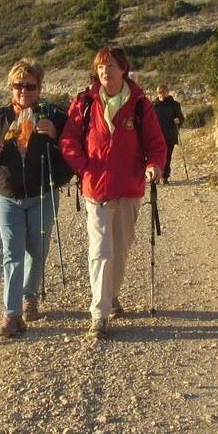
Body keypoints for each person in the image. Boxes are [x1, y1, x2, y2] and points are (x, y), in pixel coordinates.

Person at [59, 45, 167, 338]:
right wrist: (84, 169)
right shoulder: (84, 102)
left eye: (110, 66)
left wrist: (155, 165)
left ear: (123, 69)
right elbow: (68, 140)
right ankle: (100, 313)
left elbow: (156, 143)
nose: (105, 71)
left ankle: (111, 295)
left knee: (121, 249)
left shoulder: (141, 104)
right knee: (101, 250)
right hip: (96, 188)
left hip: (130, 187)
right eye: (100, 67)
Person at [0, 59, 73, 338]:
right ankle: (12, 315)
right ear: (10, 87)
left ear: (39, 87)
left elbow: (75, 144)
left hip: (42, 194)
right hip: (8, 196)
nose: (23, 91)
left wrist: (56, 134)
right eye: (18, 85)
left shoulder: (53, 114)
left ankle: (30, 297)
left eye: (30, 86)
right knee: (11, 254)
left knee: (37, 251)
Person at [152, 85, 185, 184]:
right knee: (156, 157)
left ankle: (164, 176)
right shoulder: (153, 105)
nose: (162, 95)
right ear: (157, 94)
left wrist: (178, 120)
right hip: (156, 136)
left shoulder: (174, 105)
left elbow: (181, 118)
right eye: (160, 93)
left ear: (168, 92)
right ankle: (156, 176)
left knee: (167, 157)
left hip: (169, 135)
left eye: (164, 92)